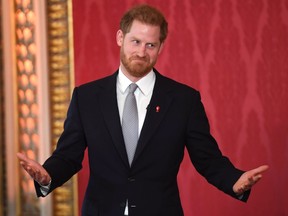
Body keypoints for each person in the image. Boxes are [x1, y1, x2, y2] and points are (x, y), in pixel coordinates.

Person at [17, 4, 269, 216]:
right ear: (120, 38)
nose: (141, 51)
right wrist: (47, 175)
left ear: (160, 47)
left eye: (150, 45)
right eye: (135, 41)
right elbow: (68, 155)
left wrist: (235, 182)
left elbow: (207, 159)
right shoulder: (87, 97)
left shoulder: (184, 100)